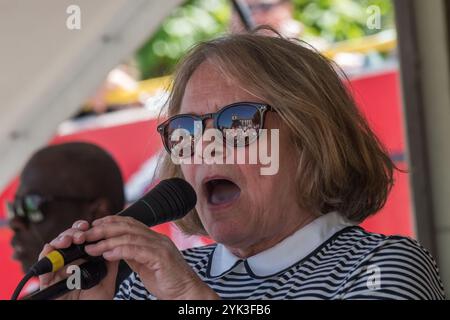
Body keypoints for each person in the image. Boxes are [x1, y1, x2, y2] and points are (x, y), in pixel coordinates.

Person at [40, 29, 445, 300]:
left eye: (238, 123)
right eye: (188, 130)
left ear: (312, 139)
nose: (208, 148)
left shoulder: (379, 267)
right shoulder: (151, 284)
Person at [8, 142, 130, 294]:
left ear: (98, 211)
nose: (16, 222)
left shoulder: (152, 288)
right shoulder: (35, 294)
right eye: (14, 207)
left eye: (32, 205)